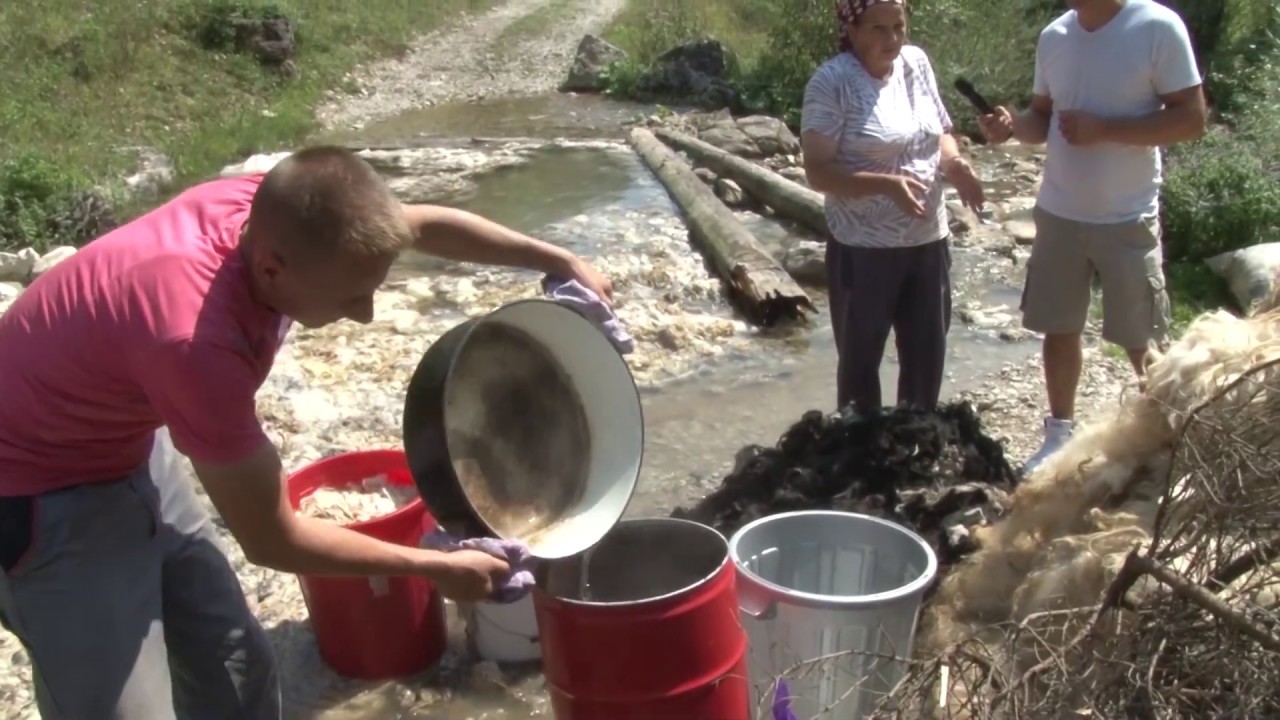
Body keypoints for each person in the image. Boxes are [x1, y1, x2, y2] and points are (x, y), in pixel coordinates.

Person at [0, 145, 613, 719]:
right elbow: (273, 541)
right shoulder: (197, 345)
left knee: (236, 666)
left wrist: (556, 259)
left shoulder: (276, 211)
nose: (368, 313)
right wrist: (433, 568)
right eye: (353, 296)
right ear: (270, 269)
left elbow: (419, 224)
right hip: (34, 491)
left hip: (124, 440)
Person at [977, 0, 1206, 474]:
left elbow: (1191, 118)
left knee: (1143, 336)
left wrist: (1106, 130)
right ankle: (1059, 434)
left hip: (1127, 213)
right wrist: (1011, 127)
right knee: (1059, 327)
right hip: (1060, 210)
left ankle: (1168, 439)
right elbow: (1041, 118)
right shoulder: (1055, 36)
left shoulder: (1156, 27)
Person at [801, 0, 986, 415]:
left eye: (898, 27)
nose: (892, 40)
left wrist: (955, 164)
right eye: (878, 29)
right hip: (863, 247)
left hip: (927, 238)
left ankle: (915, 446)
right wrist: (885, 186)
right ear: (852, 30)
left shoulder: (915, 63)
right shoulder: (832, 83)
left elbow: (939, 132)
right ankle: (859, 454)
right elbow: (817, 171)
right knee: (860, 363)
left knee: (925, 356)